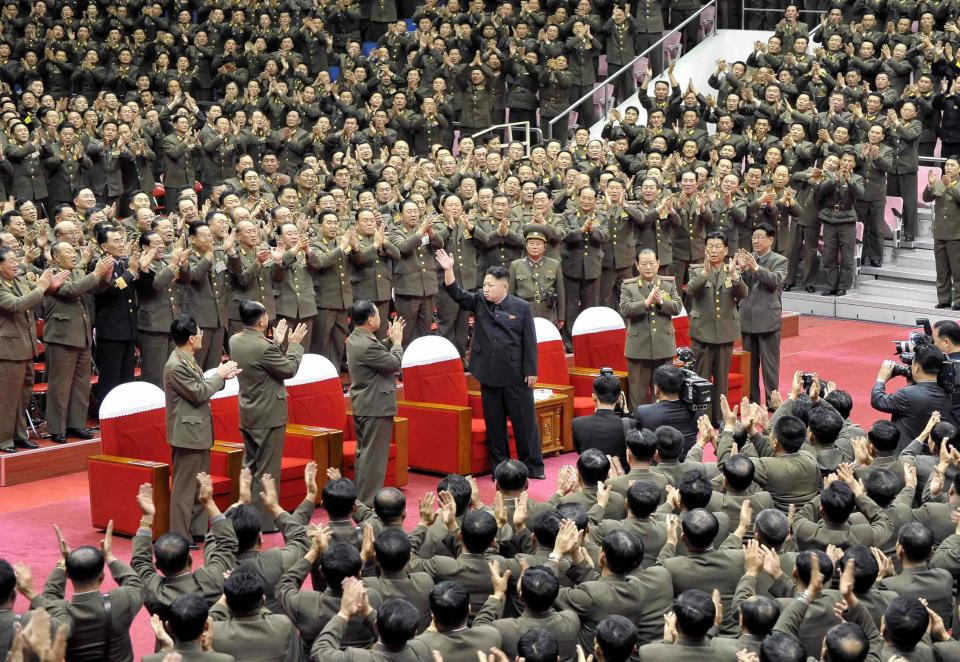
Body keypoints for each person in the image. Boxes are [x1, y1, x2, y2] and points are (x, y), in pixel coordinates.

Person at [435, 249, 545, 479]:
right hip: (489, 375)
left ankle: (533, 467)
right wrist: (448, 270)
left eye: (491, 285)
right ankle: (500, 469)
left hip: (516, 376)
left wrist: (531, 370)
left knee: (525, 425)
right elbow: (456, 293)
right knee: (495, 427)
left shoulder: (521, 307)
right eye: (484, 284)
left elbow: (529, 342)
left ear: (504, 287)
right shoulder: (478, 301)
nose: (486, 288)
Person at [230, 300, 307, 531]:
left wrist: (274, 343)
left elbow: (261, 361)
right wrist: (293, 345)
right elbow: (288, 369)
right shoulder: (265, 347)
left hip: (249, 411)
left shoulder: (235, 340)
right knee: (267, 470)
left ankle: (245, 516)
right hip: (269, 414)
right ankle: (263, 522)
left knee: (250, 466)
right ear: (262, 320)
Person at [163, 315, 241, 541]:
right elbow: (199, 393)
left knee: (200, 486)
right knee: (184, 490)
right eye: (199, 332)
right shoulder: (176, 365)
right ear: (190, 338)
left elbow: (201, 386)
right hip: (187, 435)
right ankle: (179, 536)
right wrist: (219, 375)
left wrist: (222, 376)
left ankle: (197, 530)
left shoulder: (186, 358)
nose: (202, 335)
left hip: (198, 432)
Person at [42, 248, 113, 443]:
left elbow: (92, 289)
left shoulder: (77, 272)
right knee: (60, 386)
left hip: (82, 335)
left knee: (81, 385)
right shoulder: (51, 275)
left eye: (74, 251)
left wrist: (104, 278)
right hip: (62, 336)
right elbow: (71, 290)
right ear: (56, 257)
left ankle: (76, 424)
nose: (73, 254)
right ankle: (57, 428)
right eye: (67, 251)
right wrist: (96, 273)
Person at [345, 299, 405, 506]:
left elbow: (376, 351)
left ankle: (361, 501)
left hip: (366, 405)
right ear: (371, 319)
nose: (380, 317)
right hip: (375, 407)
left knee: (366, 456)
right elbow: (393, 364)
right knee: (374, 460)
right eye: (378, 315)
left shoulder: (356, 338)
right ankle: (368, 503)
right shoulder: (367, 344)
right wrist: (397, 344)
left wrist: (389, 341)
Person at [686, 231, 748, 424]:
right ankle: (702, 418)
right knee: (701, 379)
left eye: (718, 247)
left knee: (721, 379)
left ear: (726, 250)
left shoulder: (732, 271)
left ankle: (720, 418)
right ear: (705, 250)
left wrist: (735, 277)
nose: (714, 250)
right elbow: (690, 291)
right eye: (710, 247)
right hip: (702, 332)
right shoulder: (697, 270)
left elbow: (743, 294)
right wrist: (704, 275)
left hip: (724, 333)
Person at [620, 249, 681, 409]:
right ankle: (639, 430)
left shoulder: (667, 284)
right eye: (644, 264)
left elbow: (677, 307)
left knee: (662, 395)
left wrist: (662, 303)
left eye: (652, 263)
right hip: (638, 348)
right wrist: (645, 303)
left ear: (658, 264)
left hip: (663, 346)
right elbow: (625, 309)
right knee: (638, 396)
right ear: (637, 265)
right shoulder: (629, 286)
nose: (648, 267)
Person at [737, 224, 788, 409]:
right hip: (747, 318)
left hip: (768, 319)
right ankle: (752, 401)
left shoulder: (780, 260)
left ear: (771, 240)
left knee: (769, 365)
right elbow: (737, 287)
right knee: (749, 365)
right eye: (754, 237)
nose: (756, 240)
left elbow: (774, 281)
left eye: (760, 237)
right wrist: (740, 270)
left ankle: (772, 401)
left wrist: (755, 267)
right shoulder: (746, 260)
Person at [872, 343, 953, 452]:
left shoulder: (908, 394)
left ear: (916, 367)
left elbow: (878, 400)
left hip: (906, 456)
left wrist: (881, 380)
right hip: (928, 454)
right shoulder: (946, 394)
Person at [634, 365, 699, 457]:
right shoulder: (697, 411)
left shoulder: (644, 412)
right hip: (689, 462)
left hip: (656, 466)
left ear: (656, 389)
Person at [509, 229, 565, 327]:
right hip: (523, 312)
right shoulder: (515, 265)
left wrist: (561, 317)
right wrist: (510, 314)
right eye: (531, 243)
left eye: (538, 244)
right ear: (526, 246)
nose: (534, 247)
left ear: (545, 247)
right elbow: (510, 293)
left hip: (547, 313)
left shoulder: (554, 264)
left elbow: (560, 293)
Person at [922, 162, 960, 310]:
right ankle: (944, 299)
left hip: (956, 234)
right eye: (947, 165)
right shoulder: (939, 183)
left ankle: (958, 301)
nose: (948, 168)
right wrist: (930, 186)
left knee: (958, 271)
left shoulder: (955, 184)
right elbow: (926, 198)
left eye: (952, 165)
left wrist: (950, 185)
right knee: (942, 270)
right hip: (939, 233)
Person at [572, 374, 629, 468]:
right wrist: (626, 412)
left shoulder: (578, 423)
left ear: (593, 397)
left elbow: (579, 451)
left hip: (590, 477)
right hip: (619, 476)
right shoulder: (629, 423)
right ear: (619, 398)